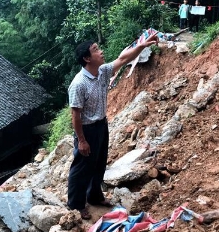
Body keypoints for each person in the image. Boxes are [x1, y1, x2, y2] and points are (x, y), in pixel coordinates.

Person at [67, 34, 159, 220]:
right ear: (87, 58)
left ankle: (94, 196)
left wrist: (143, 45)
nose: (101, 52)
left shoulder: (102, 72)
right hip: (87, 129)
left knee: (99, 163)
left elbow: (123, 59)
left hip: (101, 125)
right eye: (95, 50)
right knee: (82, 167)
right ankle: (76, 205)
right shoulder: (78, 84)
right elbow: (75, 115)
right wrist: (82, 140)